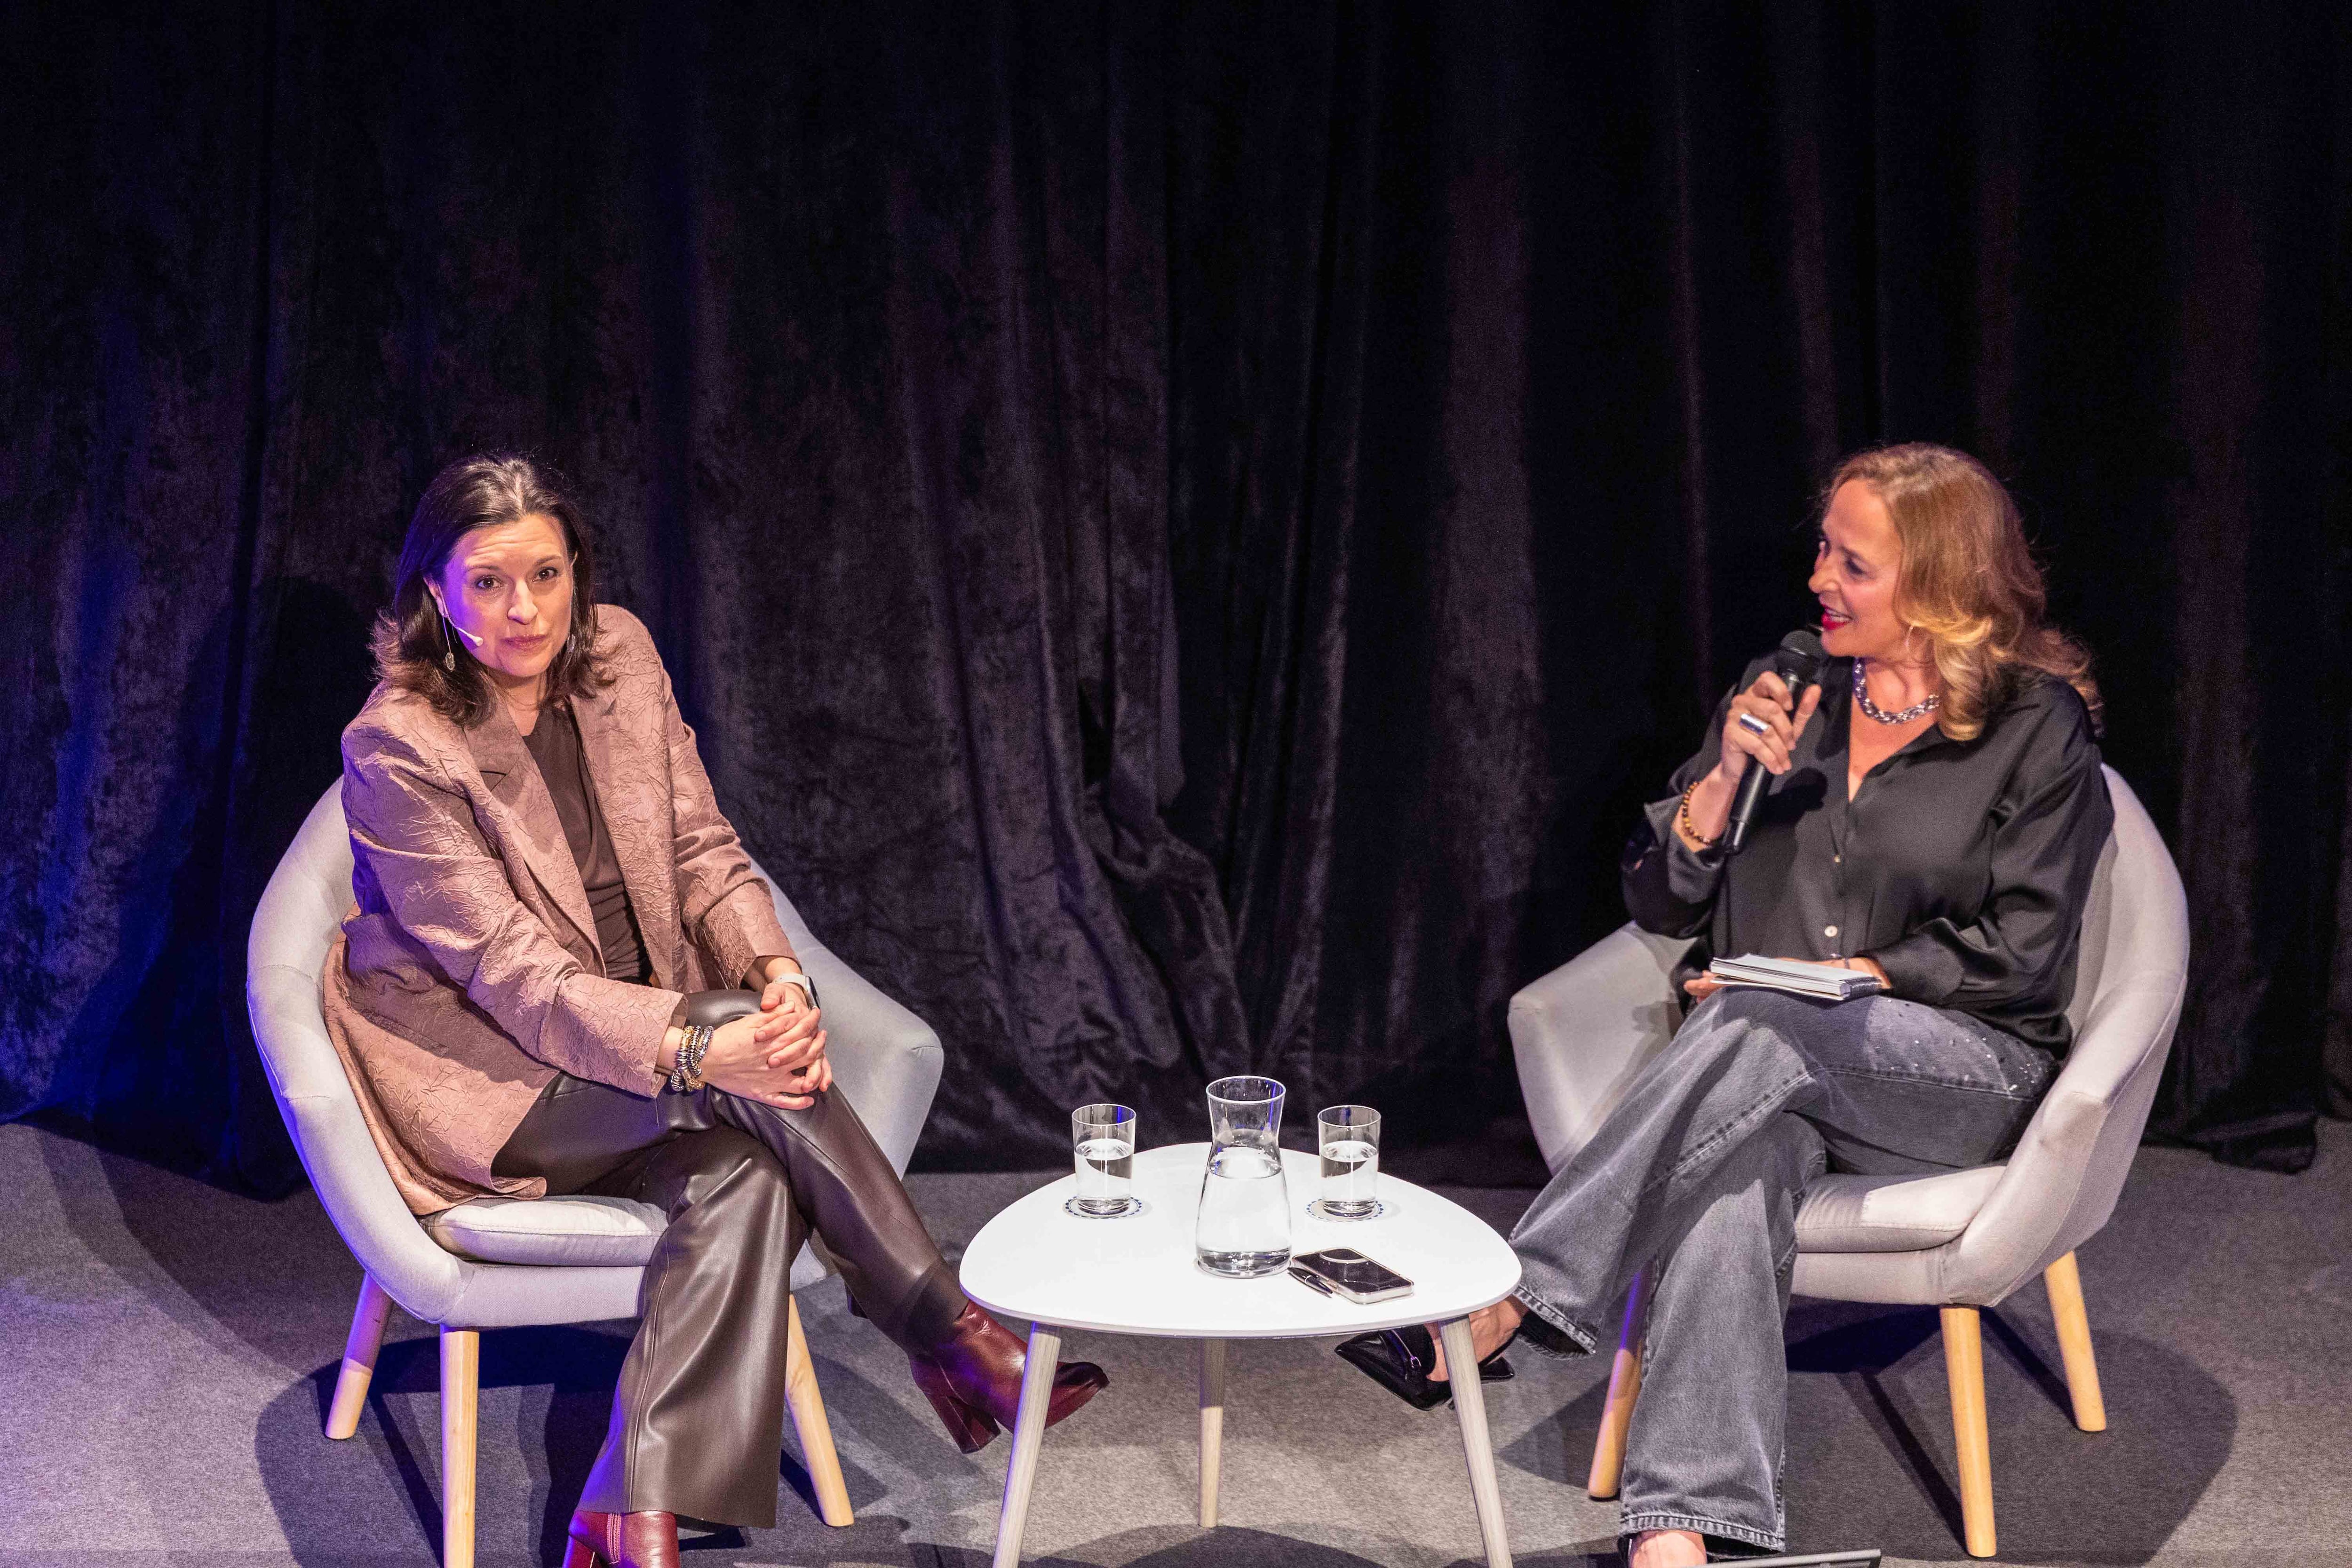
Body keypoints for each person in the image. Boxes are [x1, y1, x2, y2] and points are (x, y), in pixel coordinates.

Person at [323, 454, 1107, 1568]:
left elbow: (702, 851)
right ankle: (950, 1332)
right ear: (435, 591)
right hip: (496, 1070)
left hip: (641, 1038)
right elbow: (518, 982)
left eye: (547, 573)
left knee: (741, 1174)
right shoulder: (399, 742)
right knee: (739, 1070)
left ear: (577, 568)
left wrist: (781, 979)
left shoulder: (622, 654)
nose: (527, 608)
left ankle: (627, 1509)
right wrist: (701, 1047)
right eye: (489, 581)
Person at [1384, 444, 2113, 1564]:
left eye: (1852, 562)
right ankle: (1678, 1533)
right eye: (1823, 547)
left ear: (1935, 585)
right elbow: (1657, 898)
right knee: (1737, 1174)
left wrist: (1849, 980)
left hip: (1959, 1074)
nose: (1819, 576)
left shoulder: (2034, 726)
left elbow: (2022, 952)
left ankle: (1512, 1299)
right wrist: (1722, 779)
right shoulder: (1791, 692)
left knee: (1762, 1018)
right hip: (1757, 1067)